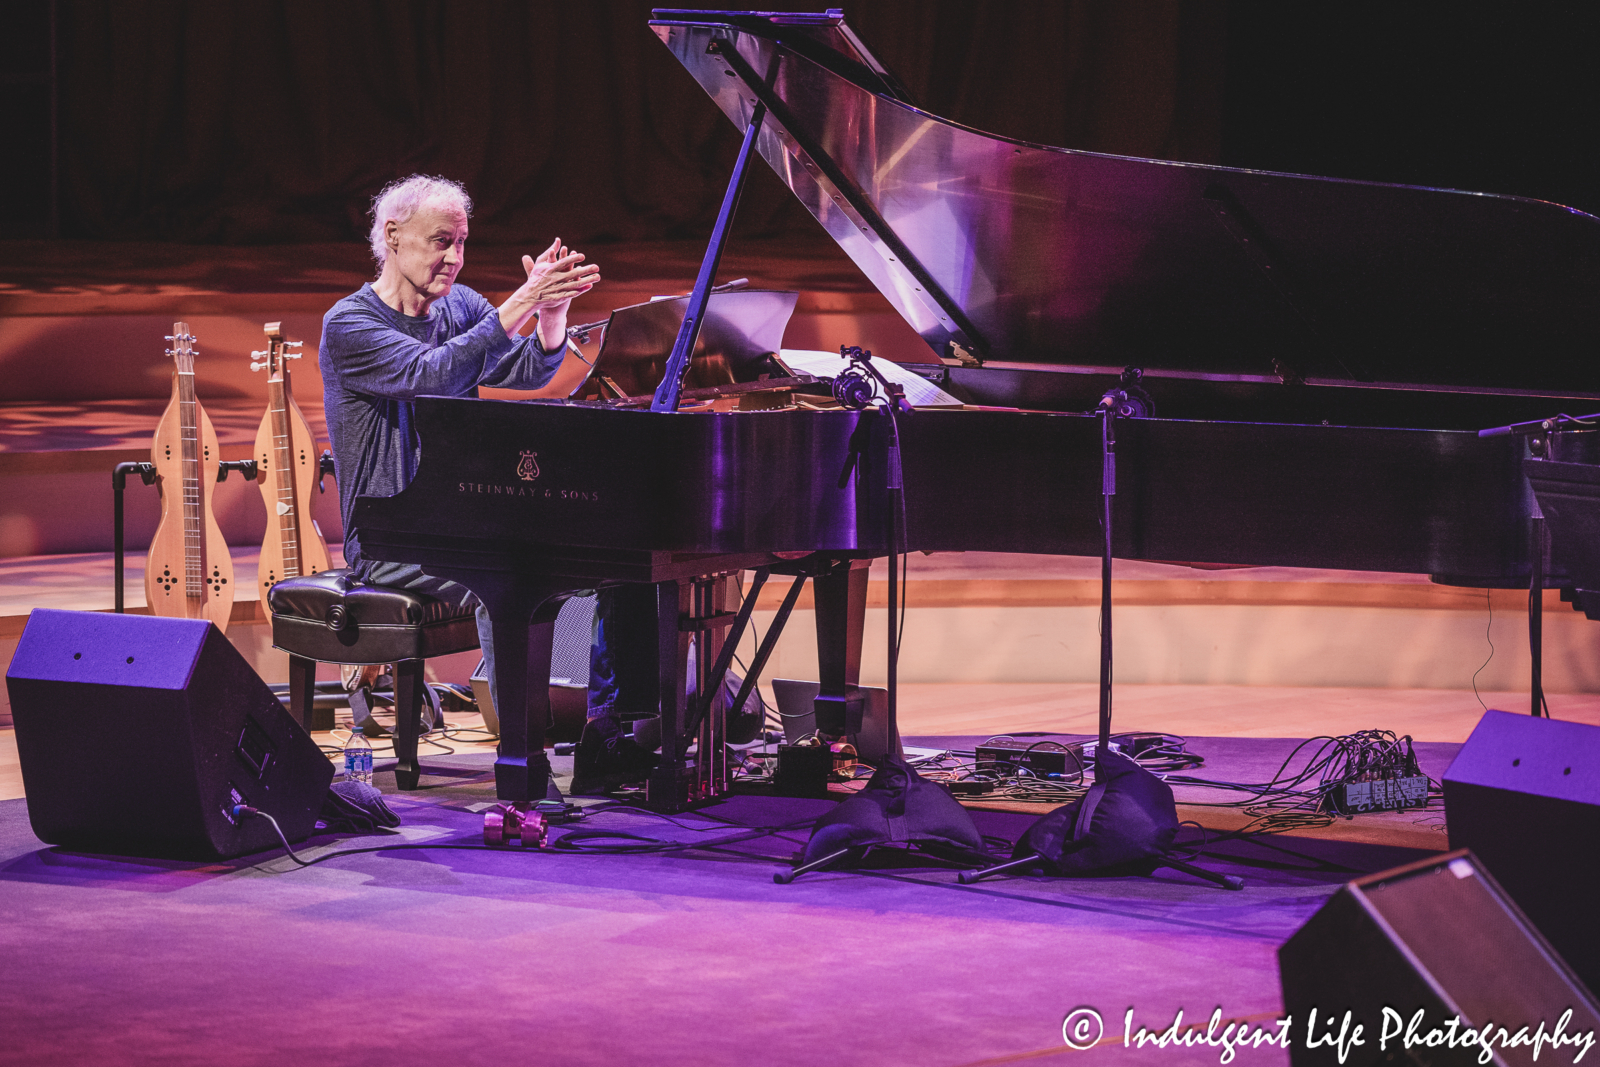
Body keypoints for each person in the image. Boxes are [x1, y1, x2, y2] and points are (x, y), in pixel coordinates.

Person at [319, 173, 658, 795]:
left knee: (626, 558)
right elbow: (431, 372)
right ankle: (523, 771)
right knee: (509, 576)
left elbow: (525, 372)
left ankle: (618, 736)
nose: (453, 257)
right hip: (391, 537)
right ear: (392, 237)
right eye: (440, 241)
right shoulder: (349, 326)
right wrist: (522, 302)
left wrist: (551, 317)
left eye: (462, 243)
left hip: (464, 518)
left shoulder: (462, 307)